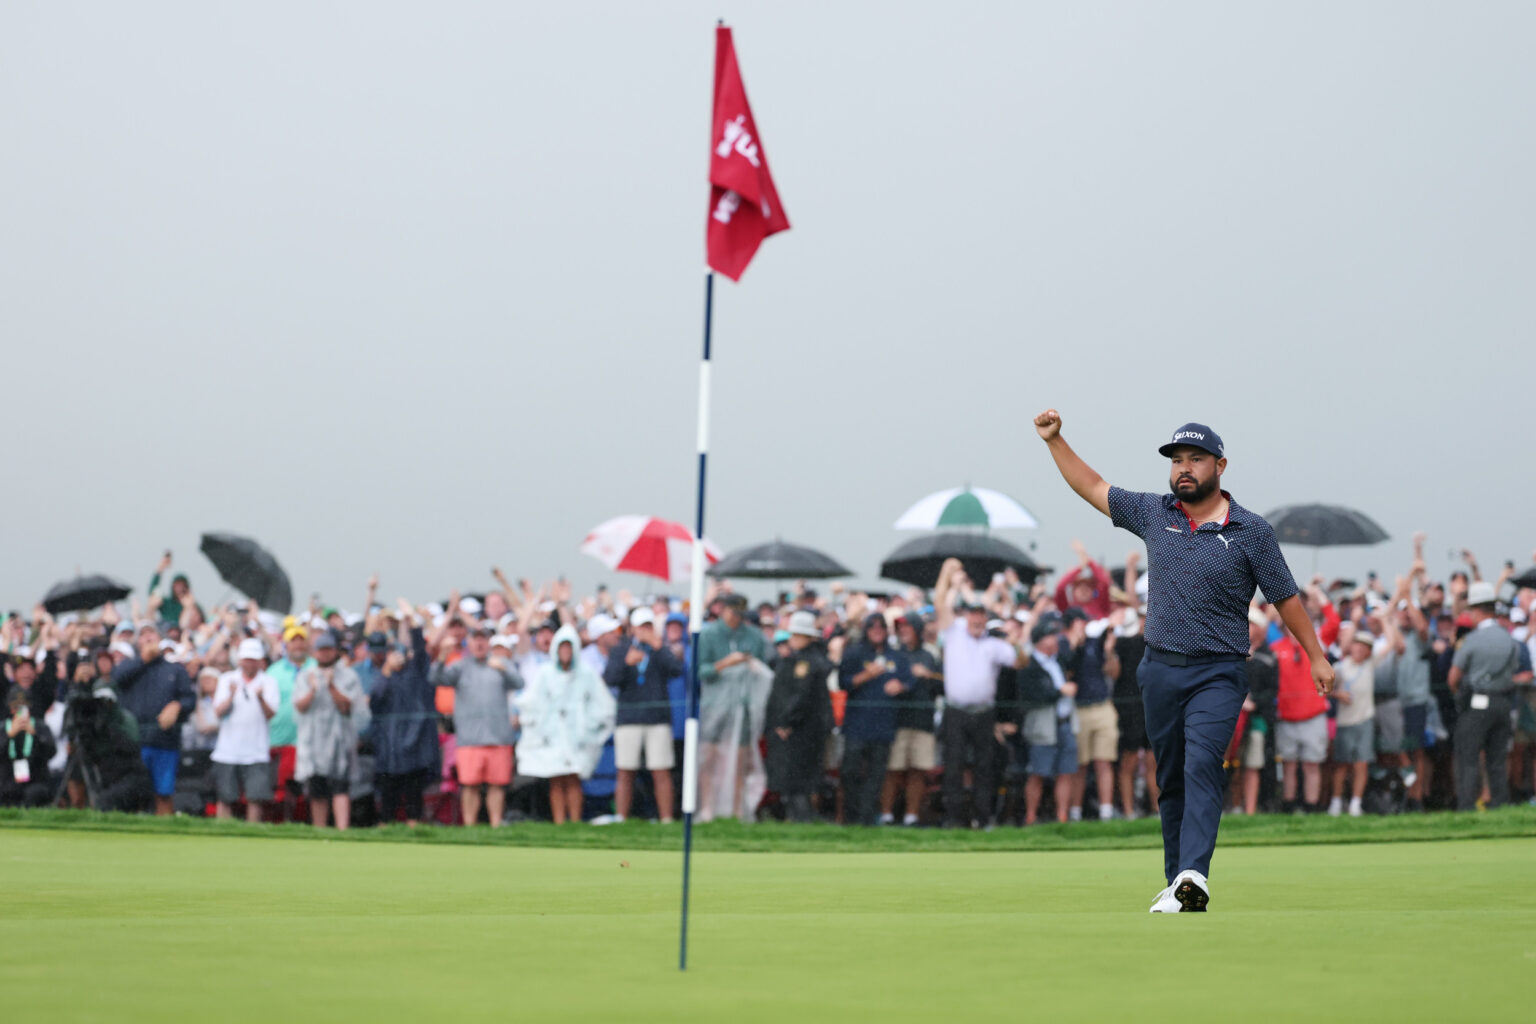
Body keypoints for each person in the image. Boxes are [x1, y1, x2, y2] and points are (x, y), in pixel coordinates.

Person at [1036, 410, 1333, 912]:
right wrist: (1056, 441)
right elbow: (1091, 486)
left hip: (1219, 671)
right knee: (1169, 776)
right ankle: (1179, 881)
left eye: (1195, 459)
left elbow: (1286, 599)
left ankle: (1195, 872)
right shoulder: (1156, 513)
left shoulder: (1252, 532)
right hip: (1159, 669)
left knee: (1201, 763)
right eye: (1177, 460)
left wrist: (1317, 657)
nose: (1184, 468)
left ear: (1220, 465)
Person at [932, 558, 1025, 828]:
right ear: (966, 616)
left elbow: (1019, 662)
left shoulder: (993, 644)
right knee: (954, 767)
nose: (975, 618)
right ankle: (953, 819)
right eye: (972, 614)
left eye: (980, 615)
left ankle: (983, 818)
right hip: (956, 711)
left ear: (984, 619)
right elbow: (940, 602)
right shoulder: (954, 631)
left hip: (984, 713)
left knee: (985, 768)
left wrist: (1017, 643)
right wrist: (946, 573)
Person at [515, 625, 615, 824]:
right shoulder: (545, 673)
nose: (566, 653)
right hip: (552, 736)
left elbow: (603, 704)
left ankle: (575, 821)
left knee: (573, 779)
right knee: (556, 779)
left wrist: (589, 727)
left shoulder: (586, 673)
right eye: (562, 648)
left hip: (577, 736)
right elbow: (531, 701)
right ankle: (560, 822)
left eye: (569, 648)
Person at [430, 624, 521, 826]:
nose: (479, 643)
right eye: (475, 639)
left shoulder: (500, 663)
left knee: (496, 785)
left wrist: (504, 669)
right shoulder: (460, 667)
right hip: (469, 738)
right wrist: (442, 656)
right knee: (469, 785)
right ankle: (470, 826)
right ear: (469, 642)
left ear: (488, 642)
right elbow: (435, 678)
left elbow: (519, 683)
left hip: (498, 737)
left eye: (483, 639)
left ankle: (495, 824)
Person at [1448, 581, 1524, 810]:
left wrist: (1459, 696)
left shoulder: (1471, 640)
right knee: (1497, 760)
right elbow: (1513, 671)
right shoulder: (1510, 640)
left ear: (1476, 610)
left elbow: (1453, 678)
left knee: (1468, 758)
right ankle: (1499, 806)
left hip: (1476, 704)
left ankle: (1467, 807)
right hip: (1503, 703)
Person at [694, 593, 770, 822]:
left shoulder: (754, 636)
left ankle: (737, 809)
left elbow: (761, 668)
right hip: (714, 706)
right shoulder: (708, 635)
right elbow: (701, 672)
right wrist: (727, 663)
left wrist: (748, 664)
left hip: (742, 706)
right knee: (709, 757)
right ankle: (707, 807)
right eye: (732, 612)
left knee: (740, 759)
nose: (736, 618)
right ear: (722, 610)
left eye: (740, 614)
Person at [604, 608, 683, 823]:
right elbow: (610, 678)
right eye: (641, 626)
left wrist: (659, 647)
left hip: (657, 719)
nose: (645, 630)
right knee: (625, 771)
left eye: (649, 626)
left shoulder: (660, 649)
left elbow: (677, 670)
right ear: (632, 629)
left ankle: (666, 819)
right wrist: (625, 664)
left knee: (661, 771)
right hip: (629, 719)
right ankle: (621, 817)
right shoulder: (621, 650)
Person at [111, 623, 196, 816]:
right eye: (143, 634)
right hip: (133, 743)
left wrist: (177, 706)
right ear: (138, 642)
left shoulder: (175, 670)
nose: (148, 637)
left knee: (163, 794)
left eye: (152, 633)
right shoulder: (128, 667)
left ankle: (165, 837)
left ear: (160, 640)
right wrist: (143, 660)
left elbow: (189, 699)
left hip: (164, 741)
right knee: (132, 793)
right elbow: (115, 680)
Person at [370, 603, 440, 825]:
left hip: (413, 746)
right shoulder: (385, 675)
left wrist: (411, 622)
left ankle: (414, 831)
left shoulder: (416, 672)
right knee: (387, 799)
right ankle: (384, 831)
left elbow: (421, 649)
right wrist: (386, 672)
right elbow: (375, 701)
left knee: (413, 799)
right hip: (388, 748)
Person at [838, 614, 909, 826]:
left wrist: (902, 686)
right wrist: (865, 676)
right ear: (866, 630)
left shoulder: (896, 656)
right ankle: (851, 816)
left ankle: (867, 817)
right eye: (872, 627)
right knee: (850, 771)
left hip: (884, 725)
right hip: (856, 724)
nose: (877, 630)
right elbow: (844, 683)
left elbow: (909, 681)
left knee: (876, 774)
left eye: (881, 627)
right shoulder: (854, 653)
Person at [1274, 585, 1338, 813]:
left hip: (1313, 715)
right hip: (1286, 715)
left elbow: (1334, 622)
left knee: (1312, 765)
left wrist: (1320, 593)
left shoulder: (1316, 645)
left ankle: (1311, 808)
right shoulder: (1276, 648)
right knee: (1289, 764)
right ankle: (1290, 806)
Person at [765, 610, 832, 822]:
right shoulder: (806, 659)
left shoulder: (806, 662)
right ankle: (796, 817)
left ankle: (801, 818)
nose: (792, 640)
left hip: (802, 729)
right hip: (805, 727)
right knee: (795, 778)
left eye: (796, 635)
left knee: (798, 778)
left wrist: (786, 722)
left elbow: (800, 696)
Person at [293, 632, 364, 829]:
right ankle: (319, 829)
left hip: (340, 742)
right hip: (314, 743)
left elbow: (348, 707)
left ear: (335, 651)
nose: (325, 654)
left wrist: (331, 685)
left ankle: (342, 830)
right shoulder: (306, 675)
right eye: (321, 650)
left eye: (329, 649)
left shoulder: (348, 675)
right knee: (317, 791)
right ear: (315, 653)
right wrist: (313, 689)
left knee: (341, 787)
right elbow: (299, 706)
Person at [881, 614, 941, 826]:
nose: (904, 631)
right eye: (901, 628)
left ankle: (911, 815)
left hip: (922, 720)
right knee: (893, 769)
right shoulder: (893, 655)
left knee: (918, 769)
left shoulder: (929, 656)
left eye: (908, 627)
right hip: (898, 720)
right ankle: (887, 814)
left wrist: (928, 675)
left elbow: (941, 687)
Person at [1017, 616, 1077, 825]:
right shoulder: (1029, 665)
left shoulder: (1058, 661)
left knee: (1066, 771)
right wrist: (1060, 691)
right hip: (1042, 726)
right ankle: (1031, 817)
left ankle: (1062, 818)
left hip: (1065, 722)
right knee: (1038, 772)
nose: (1055, 641)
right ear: (1040, 641)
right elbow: (1034, 695)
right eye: (1051, 636)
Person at [211, 638, 279, 822]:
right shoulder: (227, 679)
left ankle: (252, 833)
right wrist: (232, 695)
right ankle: (221, 834)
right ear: (240, 660)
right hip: (227, 751)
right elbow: (218, 711)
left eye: (253, 659)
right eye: (247, 659)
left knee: (255, 798)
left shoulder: (269, 682)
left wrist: (261, 698)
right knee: (225, 798)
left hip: (256, 751)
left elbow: (270, 714)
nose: (250, 663)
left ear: (260, 661)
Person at [1062, 609, 1120, 820]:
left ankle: (1106, 812)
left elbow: (1112, 672)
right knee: (1080, 765)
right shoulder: (1065, 645)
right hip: (1079, 709)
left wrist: (1110, 651)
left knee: (1104, 762)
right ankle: (1075, 813)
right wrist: (1074, 647)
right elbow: (1067, 671)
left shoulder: (1096, 643)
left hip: (1103, 706)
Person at [1328, 627, 1377, 817]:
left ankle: (1356, 804)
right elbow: (1325, 687)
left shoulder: (1370, 664)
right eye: (1356, 644)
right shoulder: (1341, 667)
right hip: (1345, 722)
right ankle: (1336, 802)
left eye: (1363, 646)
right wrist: (1337, 694)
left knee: (1361, 764)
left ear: (1368, 651)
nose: (1359, 648)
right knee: (1342, 764)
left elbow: (1390, 643)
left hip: (1365, 720)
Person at [1235, 608, 1279, 815]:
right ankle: (1234, 805)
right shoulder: (1232, 650)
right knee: (1231, 763)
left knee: (1252, 763)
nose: (1247, 628)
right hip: (1231, 717)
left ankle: (1250, 810)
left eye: (1252, 624)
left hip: (1258, 718)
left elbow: (1272, 690)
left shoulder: (1269, 656)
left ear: (1261, 629)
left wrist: (1253, 703)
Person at [265, 627, 313, 812]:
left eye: (302, 640)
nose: (298, 644)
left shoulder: (316, 667)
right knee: (280, 790)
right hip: (278, 739)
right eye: (294, 640)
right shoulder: (273, 671)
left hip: (308, 741)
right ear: (286, 644)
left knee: (304, 790)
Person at [2, 686, 57, 807]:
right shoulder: (3, 727)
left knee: (35, 793)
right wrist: (9, 735)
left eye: (23, 707)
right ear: (11, 709)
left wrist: (34, 735)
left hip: (35, 778)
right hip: (7, 779)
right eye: (16, 708)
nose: (19, 711)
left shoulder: (40, 727)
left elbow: (51, 752)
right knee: (8, 792)